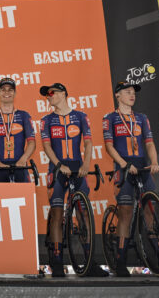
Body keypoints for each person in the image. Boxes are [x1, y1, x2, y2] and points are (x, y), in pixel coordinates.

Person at [103, 81, 159, 277]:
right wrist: (123, 164)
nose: (132, 94)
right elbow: (109, 146)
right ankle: (120, 262)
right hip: (123, 168)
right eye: (127, 92)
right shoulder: (110, 118)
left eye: (133, 92)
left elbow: (149, 143)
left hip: (142, 167)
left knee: (150, 211)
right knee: (125, 214)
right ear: (117, 95)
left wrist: (154, 162)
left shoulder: (142, 118)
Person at [39, 82, 95, 277]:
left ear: (63, 94)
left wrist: (86, 164)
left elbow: (88, 143)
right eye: (47, 95)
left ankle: (90, 261)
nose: (49, 96)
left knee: (83, 213)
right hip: (57, 169)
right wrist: (58, 165)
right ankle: (56, 261)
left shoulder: (81, 116)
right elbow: (47, 146)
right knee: (57, 213)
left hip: (78, 167)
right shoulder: (46, 120)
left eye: (52, 93)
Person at [0, 77, 35, 182]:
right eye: (3, 90)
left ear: (15, 93)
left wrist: (23, 160)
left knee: (24, 193)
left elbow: (32, 142)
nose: (7, 92)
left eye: (10, 90)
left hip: (21, 166)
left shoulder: (24, 115)